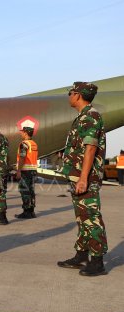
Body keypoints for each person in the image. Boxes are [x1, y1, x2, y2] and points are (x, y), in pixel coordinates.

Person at [57, 82, 108, 276]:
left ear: (78, 95)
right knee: (82, 218)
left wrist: (83, 178)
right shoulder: (82, 117)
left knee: (92, 218)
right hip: (78, 175)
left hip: (85, 177)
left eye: (70, 93)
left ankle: (97, 261)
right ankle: (81, 255)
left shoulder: (91, 117)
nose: (69, 96)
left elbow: (90, 148)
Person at [15, 127, 38, 219]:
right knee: (31, 191)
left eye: (22, 132)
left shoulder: (24, 144)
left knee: (24, 191)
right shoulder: (34, 144)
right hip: (33, 170)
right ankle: (31, 211)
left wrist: (18, 171)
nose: (21, 134)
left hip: (25, 171)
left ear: (25, 133)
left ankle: (26, 212)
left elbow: (22, 158)